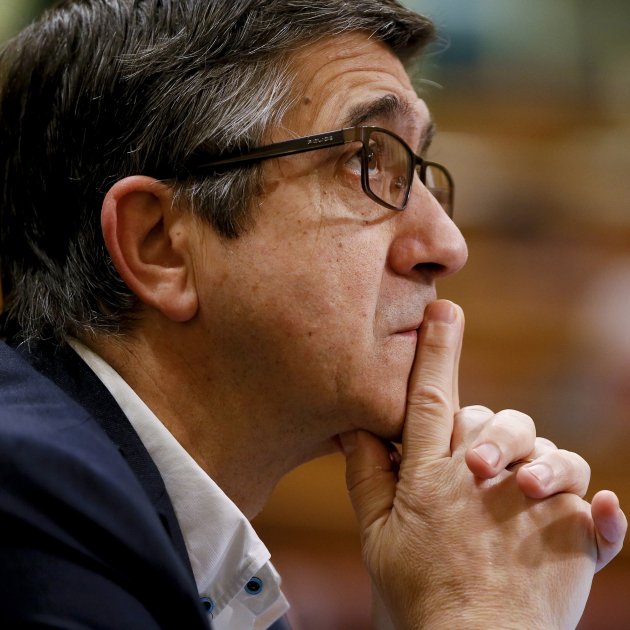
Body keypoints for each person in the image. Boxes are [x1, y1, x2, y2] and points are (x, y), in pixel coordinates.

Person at [0, 0, 625, 628]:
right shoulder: (27, 495)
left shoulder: (173, 542)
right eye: (365, 162)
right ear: (160, 244)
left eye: (419, 171)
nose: (448, 245)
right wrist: (481, 613)